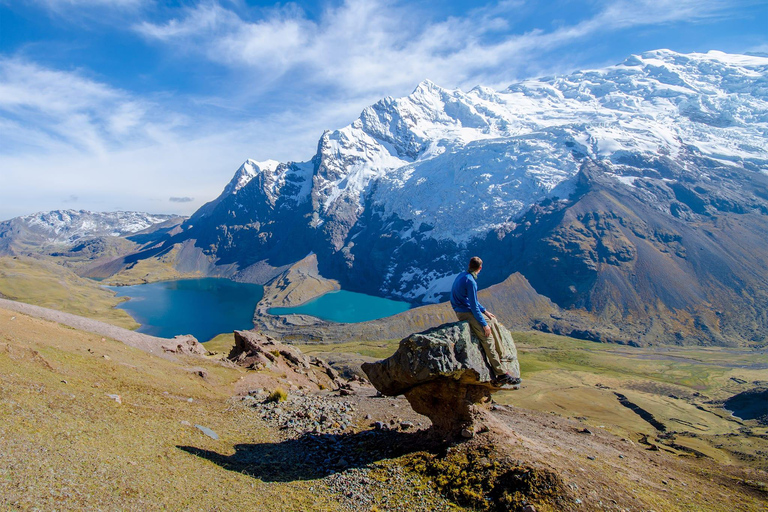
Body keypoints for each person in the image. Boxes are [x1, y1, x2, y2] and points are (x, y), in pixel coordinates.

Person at [451, 256, 520, 386]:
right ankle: (501, 374)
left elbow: (473, 301)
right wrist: (484, 324)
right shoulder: (470, 281)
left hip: (464, 308)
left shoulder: (463, 275)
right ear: (480, 268)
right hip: (465, 312)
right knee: (487, 338)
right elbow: (472, 304)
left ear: (469, 265)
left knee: (492, 321)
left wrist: (485, 311)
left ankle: (502, 355)